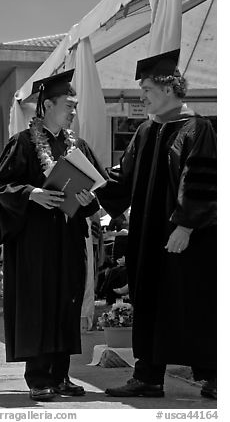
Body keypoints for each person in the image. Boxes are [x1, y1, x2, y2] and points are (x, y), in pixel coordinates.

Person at [97, 49, 217, 399]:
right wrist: (92, 183)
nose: (142, 95)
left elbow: (203, 182)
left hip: (187, 238)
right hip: (147, 236)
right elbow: (124, 181)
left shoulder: (199, 128)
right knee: (148, 301)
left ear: (168, 88)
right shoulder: (146, 130)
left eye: (146, 88)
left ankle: (213, 376)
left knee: (192, 303)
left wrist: (185, 225)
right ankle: (148, 376)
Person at [0, 69, 107, 401]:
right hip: (35, 244)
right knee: (39, 306)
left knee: (66, 304)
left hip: (69, 241)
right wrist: (31, 193)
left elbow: (94, 193)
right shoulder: (23, 143)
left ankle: (61, 375)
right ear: (46, 106)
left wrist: (88, 201)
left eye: (74, 105)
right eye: (68, 104)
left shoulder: (77, 146)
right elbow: (0, 185)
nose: (73, 110)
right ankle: (39, 378)